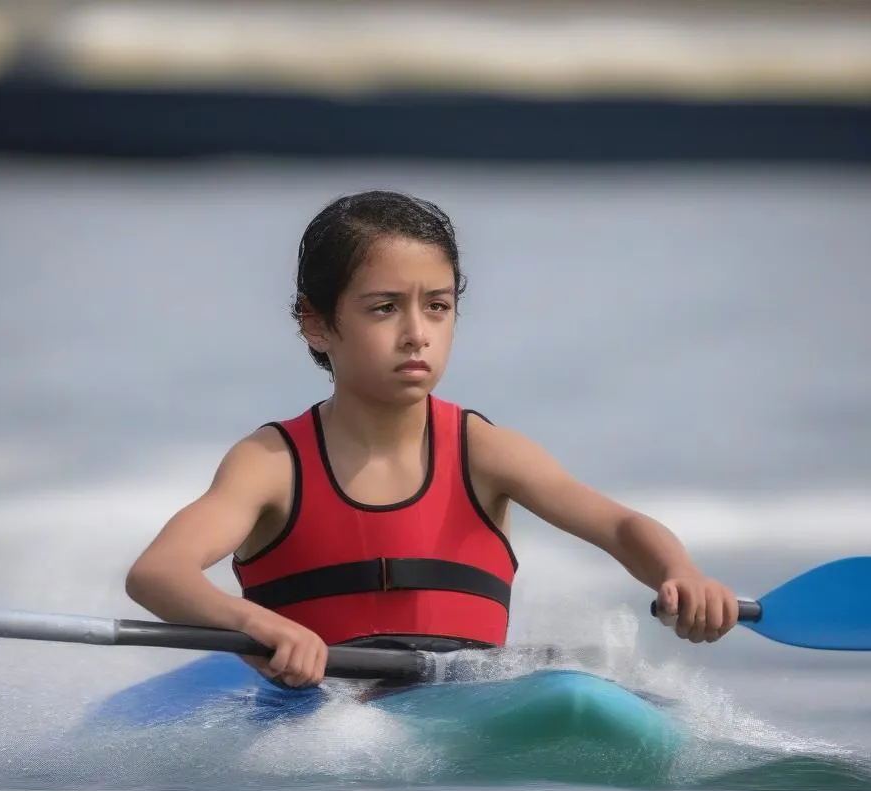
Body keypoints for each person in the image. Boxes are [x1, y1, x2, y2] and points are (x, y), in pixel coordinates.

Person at [126, 190, 739, 688]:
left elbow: (620, 526)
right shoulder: (269, 464)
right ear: (316, 324)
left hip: (463, 702)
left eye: (438, 306)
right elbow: (159, 572)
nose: (417, 333)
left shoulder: (485, 451)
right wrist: (256, 626)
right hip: (317, 719)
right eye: (384, 308)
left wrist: (681, 572)